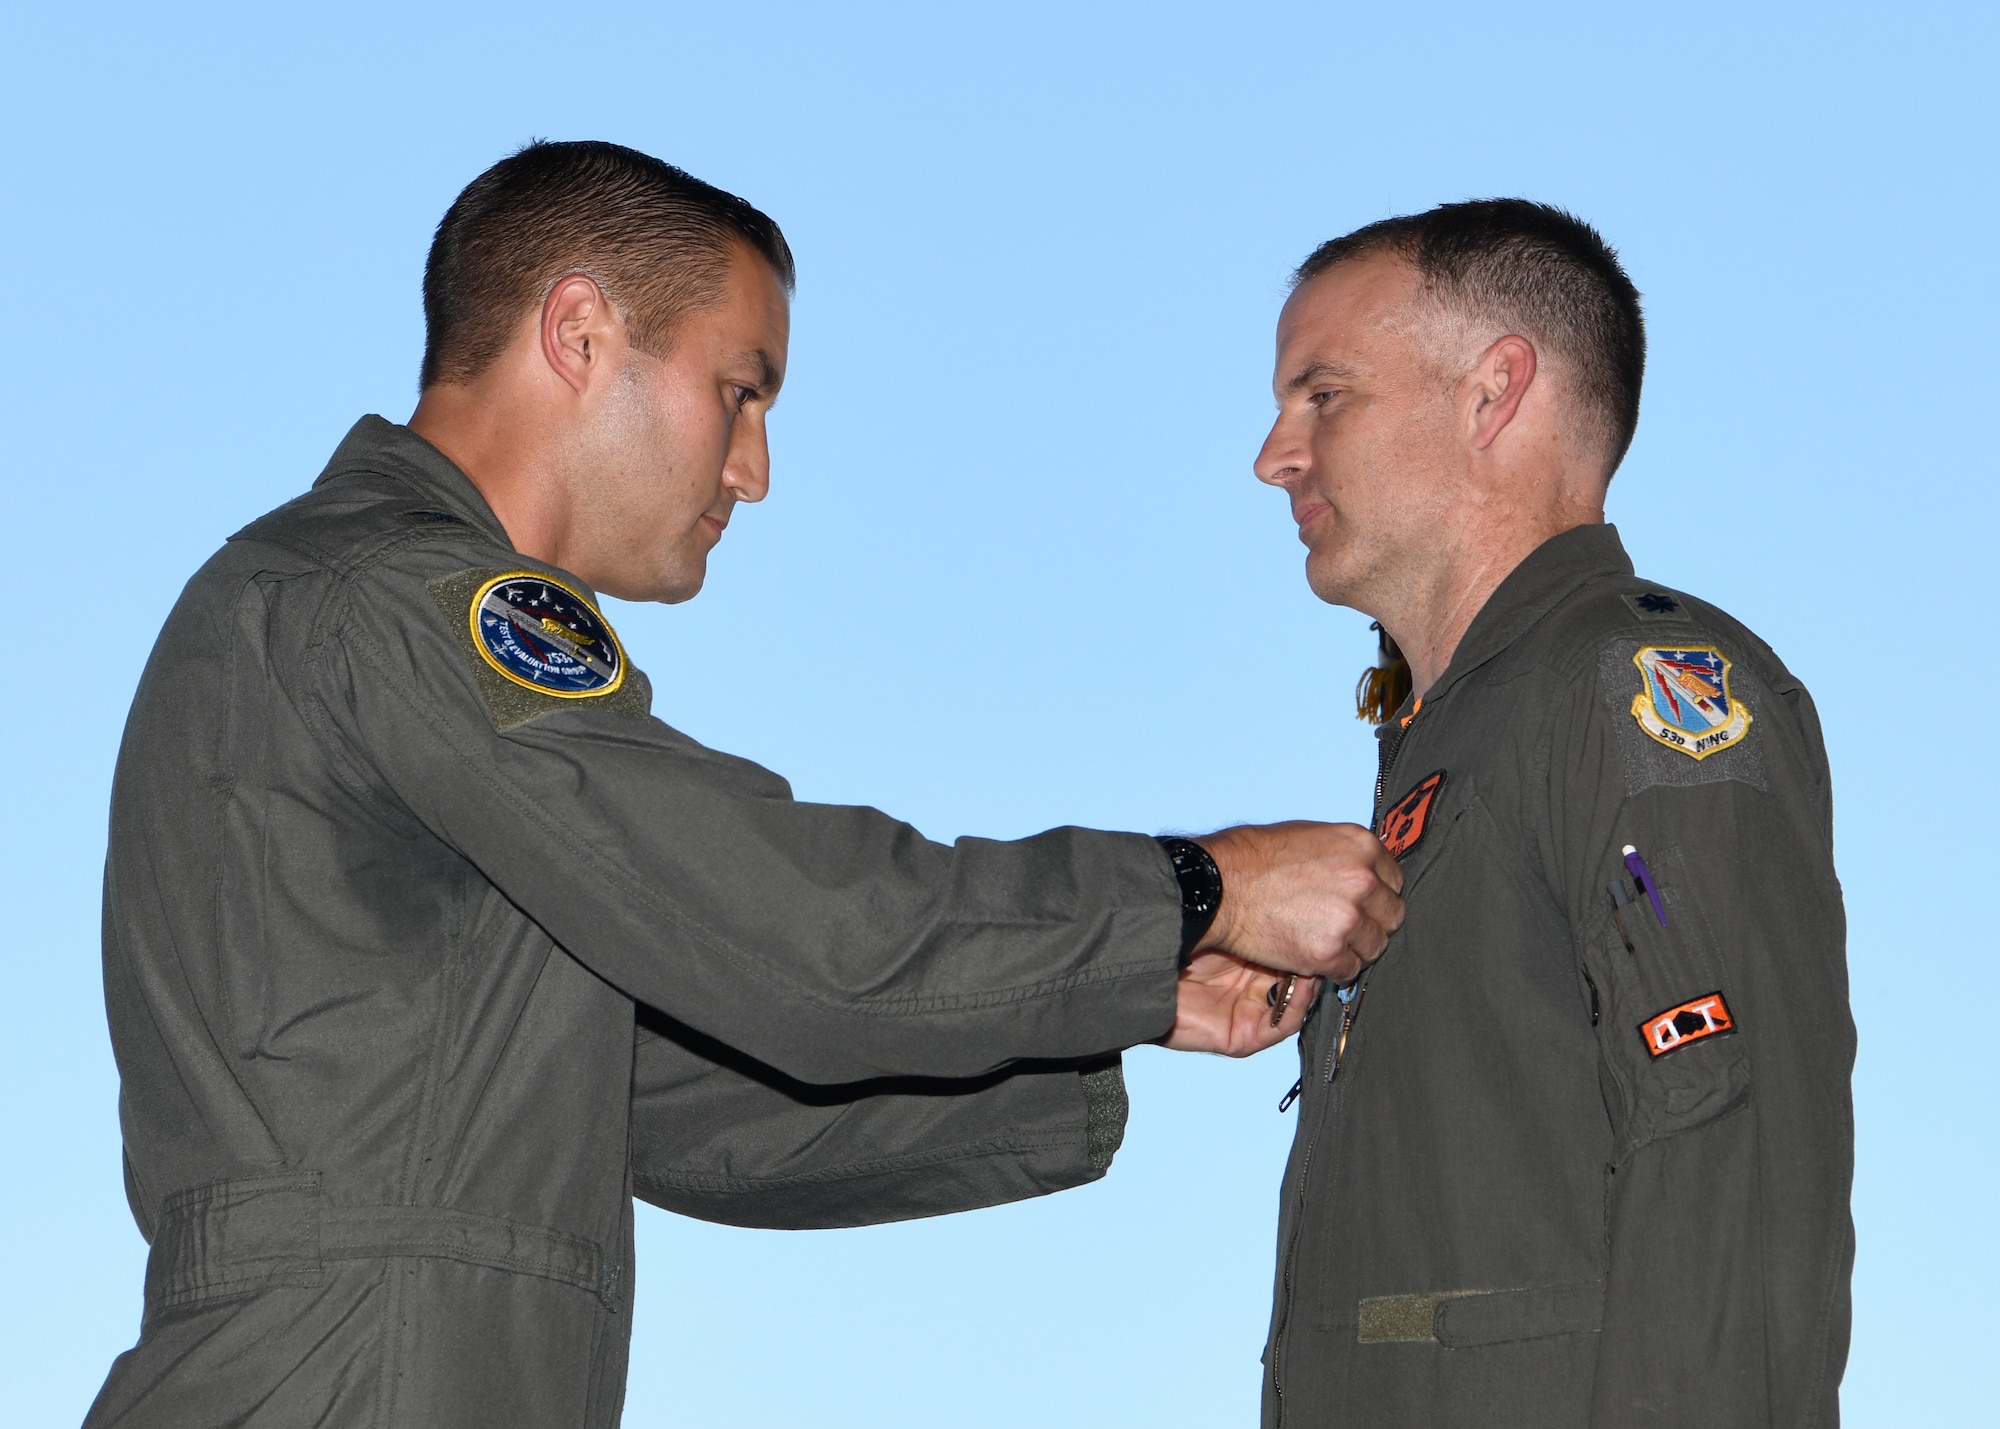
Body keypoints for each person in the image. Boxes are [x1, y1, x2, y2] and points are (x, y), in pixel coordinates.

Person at [86, 140, 1407, 1427]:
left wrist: (1123, 1002)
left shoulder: (345, 616)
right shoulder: (400, 597)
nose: (753, 473)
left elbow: (696, 1098)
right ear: (581, 332)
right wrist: (1191, 885)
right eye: (741, 391)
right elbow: (779, 926)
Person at [1250, 200, 1853, 1427]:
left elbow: (1730, 1166)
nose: (1275, 453)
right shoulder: (1452, 741)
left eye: (1323, 396)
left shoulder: (1636, 692)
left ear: (1492, 393)